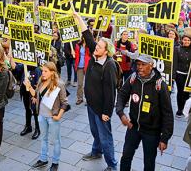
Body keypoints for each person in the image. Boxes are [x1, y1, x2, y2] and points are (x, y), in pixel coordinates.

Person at [73, 11, 118, 171]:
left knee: (105, 137)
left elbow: (111, 92)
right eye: (96, 45)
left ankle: (112, 164)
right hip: (91, 105)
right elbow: (87, 35)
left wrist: (107, 112)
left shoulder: (110, 66)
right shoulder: (95, 55)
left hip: (102, 109)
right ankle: (96, 151)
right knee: (95, 131)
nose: (95, 47)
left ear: (106, 51)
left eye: (99, 46)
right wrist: (78, 18)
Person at [116, 54, 174, 171]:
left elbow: (168, 114)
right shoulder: (133, 78)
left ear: (151, 66)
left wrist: (164, 138)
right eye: (138, 65)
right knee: (126, 157)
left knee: (149, 162)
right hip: (133, 127)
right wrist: (121, 113)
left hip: (152, 132)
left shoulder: (160, 86)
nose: (140, 67)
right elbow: (122, 95)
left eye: (143, 64)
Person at [25, 62, 69, 171]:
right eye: (42, 70)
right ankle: (43, 159)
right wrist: (29, 86)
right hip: (41, 115)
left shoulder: (59, 84)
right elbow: (35, 94)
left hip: (53, 117)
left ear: (52, 72)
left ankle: (55, 162)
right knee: (43, 138)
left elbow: (64, 103)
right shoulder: (41, 81)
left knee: (55, 140)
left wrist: (59, 116)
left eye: (45, 71)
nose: (43, 73)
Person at [20, 65, 42, 139]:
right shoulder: (24, 66)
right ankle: (28, 126)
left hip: (32, 92)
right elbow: (14, 67)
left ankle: (37, 129)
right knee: (27, 109)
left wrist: (35, 96)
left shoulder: (37, 70)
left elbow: (38, 84)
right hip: (25, 91)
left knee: (35, 110)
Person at [173, 28, 191, 117]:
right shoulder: (177, 49)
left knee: (187, 93)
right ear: (182, 40)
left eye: (188, 40)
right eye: (185, 40)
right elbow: (175, 63)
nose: (186, 41)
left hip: (189, 76)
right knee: (180, 92)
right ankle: (180, 109)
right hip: (179, 75)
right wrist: (174, 76)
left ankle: (185, 109)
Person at [74, 36, 91, 105]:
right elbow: (76, 55)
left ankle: (88, 99)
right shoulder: (78, 45)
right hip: (80, 66)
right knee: (80, 84)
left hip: (87, 66)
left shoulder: (90, 45)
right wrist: (73, 54)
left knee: (88, 84)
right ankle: (79, 98)